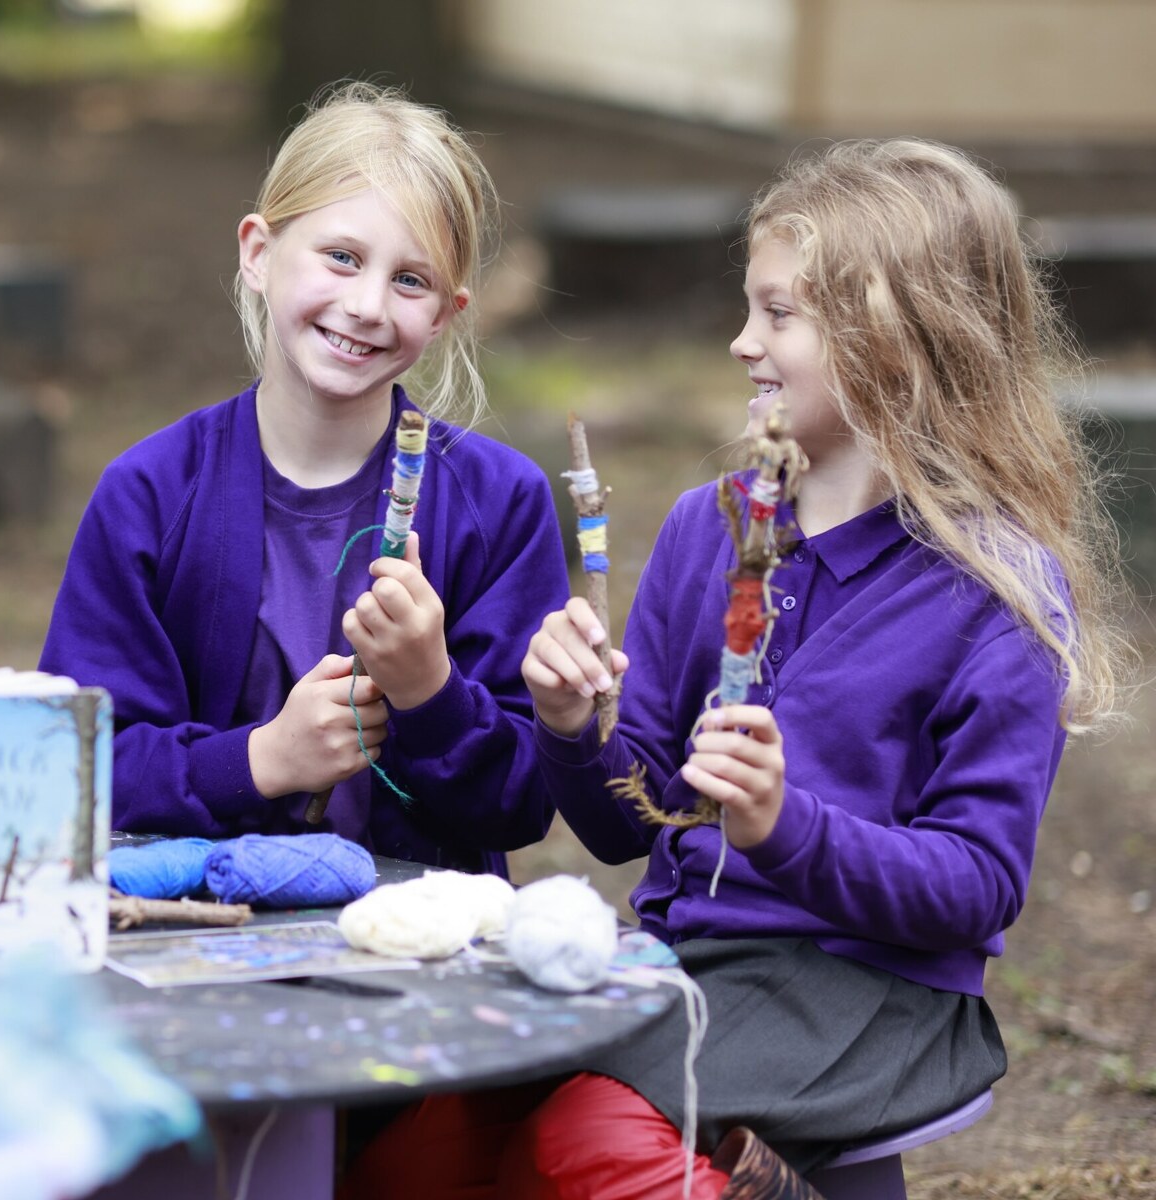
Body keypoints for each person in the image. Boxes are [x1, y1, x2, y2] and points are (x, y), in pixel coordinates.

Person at [348, 137, 1135, 1199]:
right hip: (694, 968)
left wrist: (783, 826)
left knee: (585, 1142)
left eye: (776, 314)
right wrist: (573, 728)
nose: (738, 342)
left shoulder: (992, 591)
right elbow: (636, 823)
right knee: (414, 1153)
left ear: (893, 334)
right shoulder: (705, 530)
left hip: (860, 990)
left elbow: (975, 887)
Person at [38, 83, 567, 875]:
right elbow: (72, 767)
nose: (365, 305)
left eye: (410, 280)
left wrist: (431, 690)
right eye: (343, 257)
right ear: (258, 253)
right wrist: (261, 759)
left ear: (447, 314)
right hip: (189, 937)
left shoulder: (501, 503)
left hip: (412, 957)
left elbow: (523, 801)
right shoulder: (150, 494)